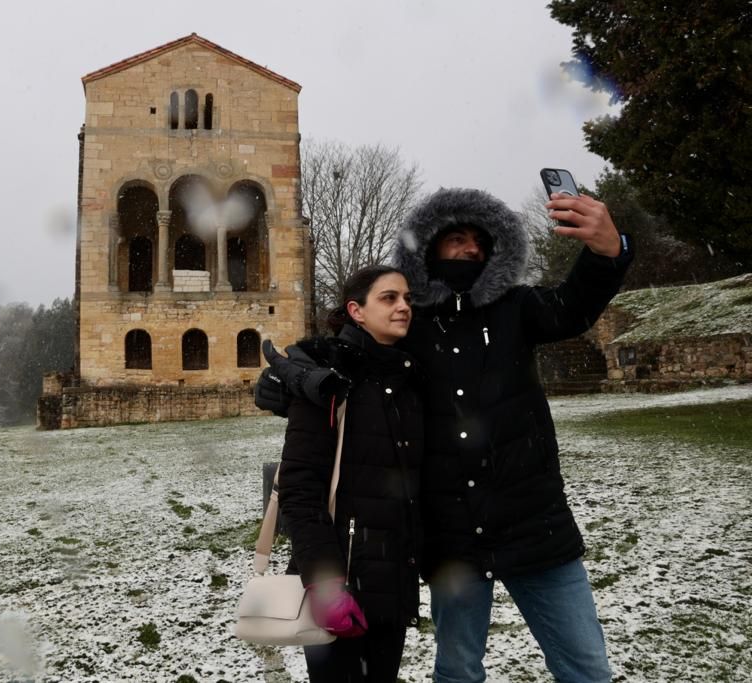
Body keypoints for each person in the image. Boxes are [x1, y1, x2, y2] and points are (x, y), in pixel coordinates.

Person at [258, 188, 633, 683]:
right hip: (452, 536)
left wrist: (608, 253)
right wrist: (293, 375)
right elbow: (342, 351)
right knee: (458, 670)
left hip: (534, 524)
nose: (470, 249)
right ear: (431, 249)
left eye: (480, 241)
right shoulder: (411, 324)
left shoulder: (517, 308)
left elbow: (572, 307)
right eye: (456, 239)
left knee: (586, 667)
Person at [277, 265, 425, 682]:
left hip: (394, 578)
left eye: (407, 299)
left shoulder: (407, 377)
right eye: (389, 298)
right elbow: (300, 488)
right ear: (356, 311)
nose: (403, 307)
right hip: (341, 582)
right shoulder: (326, 380)